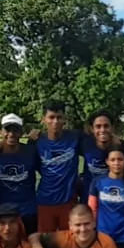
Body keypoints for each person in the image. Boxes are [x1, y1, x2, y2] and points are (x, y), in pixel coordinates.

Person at [34, 100, 82, 239]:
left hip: (68, 201)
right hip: (45, 202)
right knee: (46, 245)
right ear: (43, 119)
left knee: (70, 247)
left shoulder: (75, 138)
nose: (55, 122)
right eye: (51, 117)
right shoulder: (37, 143)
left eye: (59, 117)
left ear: (64, 119)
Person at [0, 114, 40, 236]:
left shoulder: (30, 151)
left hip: (29, 210)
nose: (11, 134)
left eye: (16, 130)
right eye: (7, 130)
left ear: (21, 132)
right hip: (4, 212)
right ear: (0, 131)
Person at [81, 109, 124, 198]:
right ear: (92, 129)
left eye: (106, 126)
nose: (102, 130)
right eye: (98, 126)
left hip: (113, 200)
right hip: (88, 199)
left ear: (112, 127)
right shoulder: (85, 144)